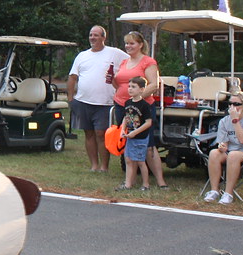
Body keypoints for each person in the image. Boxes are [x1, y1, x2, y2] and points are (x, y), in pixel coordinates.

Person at [66, 26, 129, 172]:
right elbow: (72, 77)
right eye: (90, 35)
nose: (92, 38)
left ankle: (104, 166)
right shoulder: (82, 56)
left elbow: (132, 61)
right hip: (83, 101)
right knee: (88, 133)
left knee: (101, 134)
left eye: (96, 35)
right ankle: (94, 165)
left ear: (103, 38)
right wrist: (70, 99)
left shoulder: (114, 53)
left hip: (105, 103)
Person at [112, 30, 168, 189]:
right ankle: (130, 181)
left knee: (148, 143)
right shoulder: (124, 62)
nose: (128, 46)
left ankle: (160, 181)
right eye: (126, 43)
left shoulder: (148, 62)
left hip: (141, 107)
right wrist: (111, 81)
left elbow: (153, 84)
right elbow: (120, 84)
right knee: (127, 140)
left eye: (132, 43)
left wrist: (138, 99)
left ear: (140, 44)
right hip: (122, 104)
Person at [202, 91, 243, 205]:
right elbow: (224, 141)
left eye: (236, 104)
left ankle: (228, 194)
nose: (232, 107)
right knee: (214, 153)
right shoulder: (224, 121)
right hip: (230, 151)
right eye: (230, 104)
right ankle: (214, 190)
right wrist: (222, 146)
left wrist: (235, 120)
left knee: (233, 155)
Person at [115, 76, 153, 191]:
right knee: (128, 159)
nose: (130, 89)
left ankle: (146, 184)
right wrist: (123, 130)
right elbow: (126, 118)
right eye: (129, 86)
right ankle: (128, 184)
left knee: (140, 161)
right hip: (130, 136)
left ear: (141, 89)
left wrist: (136, 132)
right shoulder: (127, 102)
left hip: (140, 137)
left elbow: (148, 122)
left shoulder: (144, 105)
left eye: (133, 87)